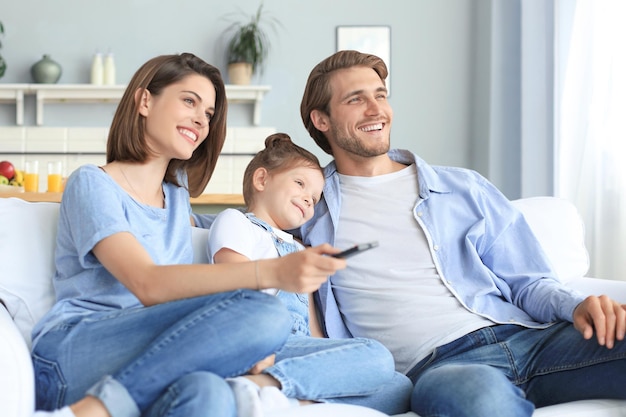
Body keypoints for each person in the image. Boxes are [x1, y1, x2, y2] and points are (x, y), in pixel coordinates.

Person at [296, 49, 626, 417]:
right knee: (477, 401)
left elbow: (529, 283)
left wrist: (576, 304)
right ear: (321, 119)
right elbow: (240, 231)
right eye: (356, 100)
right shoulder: (308, 206)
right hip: (442, 368)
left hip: (531, 339)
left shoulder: (463, 188)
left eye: (380, 95)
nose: (376, 110)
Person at [30, 53, 346, 417]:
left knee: (209, 392)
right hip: (76, 352)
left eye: (209, 113)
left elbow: (248, 224)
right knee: (264, 314)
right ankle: (95, 409)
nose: (201, 119)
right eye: (189, 101)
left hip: (157, 358)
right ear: (145, 100)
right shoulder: (93, 183)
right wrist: (274, 272)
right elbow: (147, 283)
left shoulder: (177, 199)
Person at [207, 132, 412, 416]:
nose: (308, 199)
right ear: (262, 179)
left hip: (297, 346)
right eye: (300, 184)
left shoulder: (300, 249)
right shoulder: (237, 222)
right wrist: (256, 347)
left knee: (400, 387)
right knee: (375, 355)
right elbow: (232, 283)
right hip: (260, 342)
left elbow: (313, 330)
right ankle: (258, 385)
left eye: (315, 198)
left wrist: (336, 360)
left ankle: (287, 400)